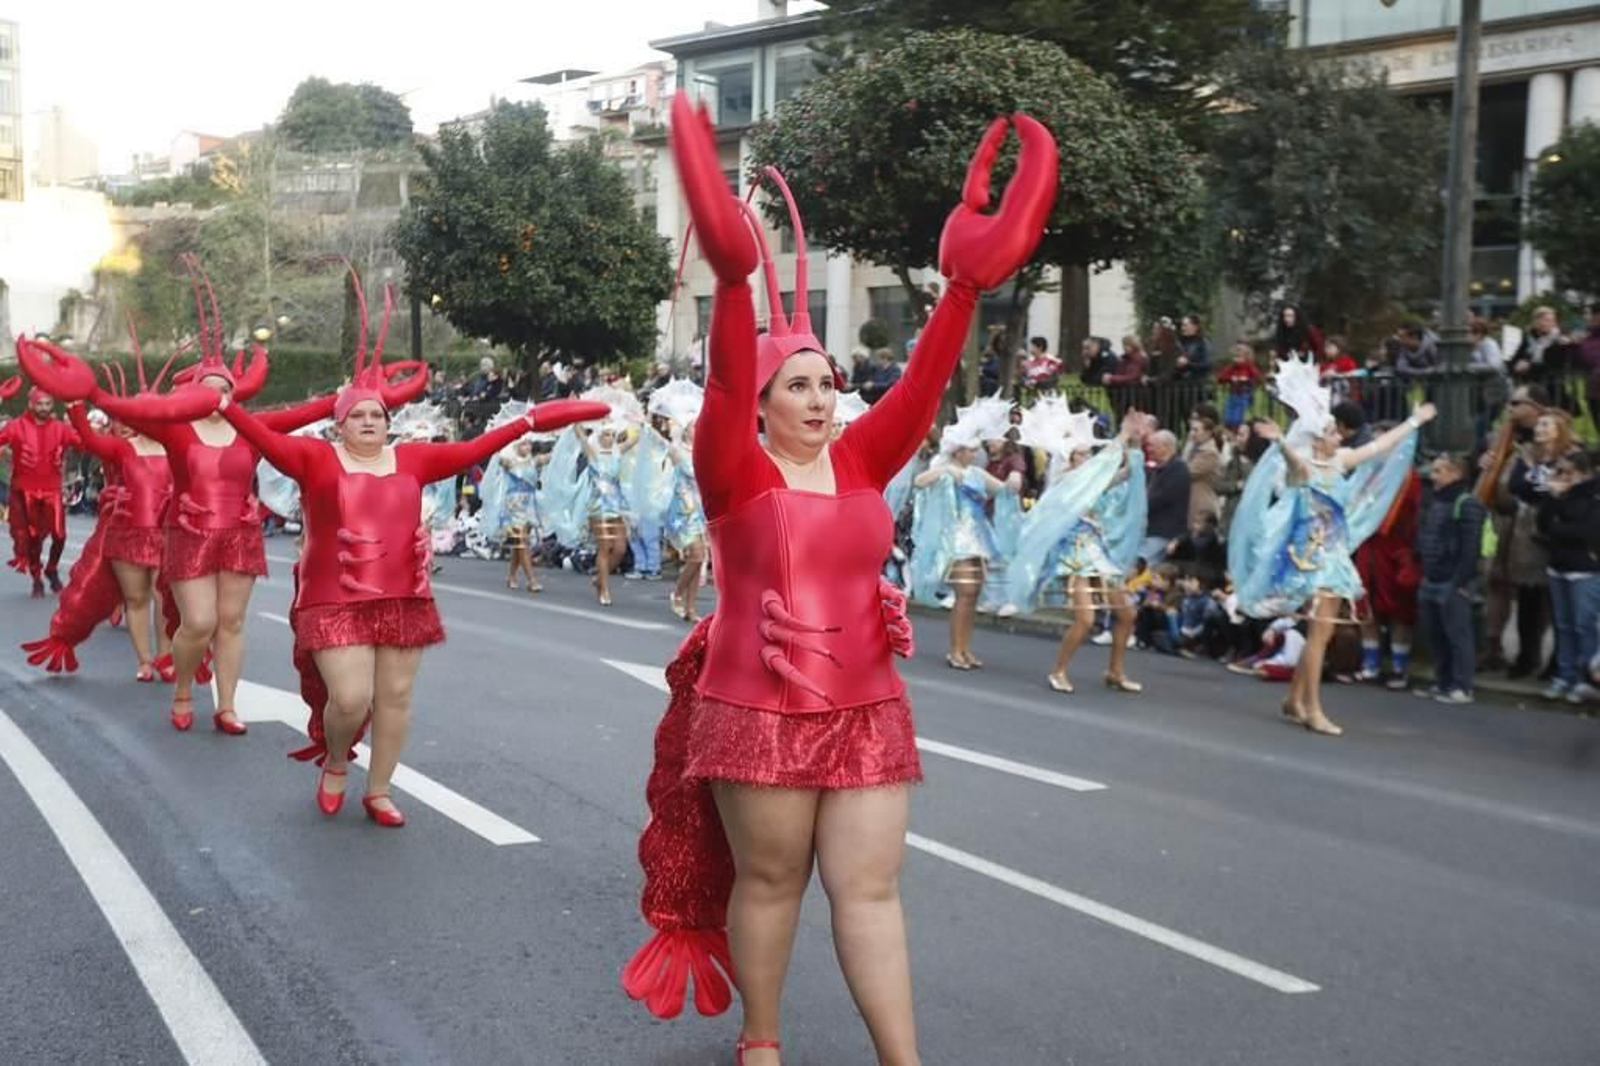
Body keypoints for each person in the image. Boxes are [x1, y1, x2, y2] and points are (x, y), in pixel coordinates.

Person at [621, 98, 1055, 1066]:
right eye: (801, 385)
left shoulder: (861, 459)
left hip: (867, 707)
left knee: (869, 887)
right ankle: (763, 1042)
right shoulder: (734, 467)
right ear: (766, 403)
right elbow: (728, 383)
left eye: (829, 382)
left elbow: (925, 386)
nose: (823, 398)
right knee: (771, 882)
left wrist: (962, 289)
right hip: (755, 707)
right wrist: (735, 285)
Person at [216, 328, 603, 825]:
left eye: (377, 414)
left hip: (403, 597)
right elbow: (264, 439)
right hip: (332, 596)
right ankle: (336, 759)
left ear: (389, 422)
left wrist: (530, 419)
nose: (369, 421)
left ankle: (378, 791)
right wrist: (227, 408)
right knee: (350, 698)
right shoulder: (314, 459)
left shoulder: (414, 460)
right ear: (338, 425)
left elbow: (477, 447)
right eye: (357, 415)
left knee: (396, 697)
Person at [1233, 356, 1436, 736]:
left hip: (1333, 553)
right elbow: (1295, 468)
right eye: (1331, 432)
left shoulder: (1340, 460)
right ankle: (1313, 708)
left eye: (1337, 432)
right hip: (1310, 557)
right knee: (1321, 632)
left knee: (1319, 632)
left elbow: (1378, 448)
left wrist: (1414, 422)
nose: (1339, 436)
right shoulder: (1305, 466)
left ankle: (1295, 699)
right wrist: (1280, 442)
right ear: (1316, 437)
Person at [1001, 404, 1147, 693]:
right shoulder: (1065, 480)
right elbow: (1099, 470)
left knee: (1127, 613)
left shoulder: (1091, 480)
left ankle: (1115, 671)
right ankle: (1058, 670)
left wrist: (1134, 440)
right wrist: (1121, 436)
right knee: (1086, 619)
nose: (1088, 457)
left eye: (1088, 453)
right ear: (1070, 458)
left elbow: (1127, 472)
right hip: (1075, 555)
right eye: (1082, 453)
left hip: (1097, 553)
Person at [910, 418, 1022, 670]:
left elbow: (1003, 491)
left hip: (979, 538)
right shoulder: (943, 470)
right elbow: (919, 482)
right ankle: (955, 650)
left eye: (975, 450)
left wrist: (1014, 479)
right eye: (971, 450)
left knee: (973, 595)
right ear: (958, 450)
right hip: (956, 539)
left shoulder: (977, 473)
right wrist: (945, 471)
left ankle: (965, 648)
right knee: (964, 593)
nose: (975, 454)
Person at [1513, 445, 1600, 703]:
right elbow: (1543, 524)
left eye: (1566, 472)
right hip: (1558, 565)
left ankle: (1584, 677)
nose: (1560, 477)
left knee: (1583, 625)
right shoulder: (1559, 496)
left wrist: (1558, 528)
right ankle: (1564, 675)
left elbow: (1584, 532)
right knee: (1562, 625)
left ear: (1583, 474)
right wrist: (1553, 499)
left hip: (1584, 570)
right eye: (1558, 471)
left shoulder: (1593, 497)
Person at [1413, 453, 1487, 704]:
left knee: (1457, 636)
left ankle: (1462, 686)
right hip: (1432, 577)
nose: (1433, 476)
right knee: (1436, 635)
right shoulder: (1435, 502)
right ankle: (1443, 682)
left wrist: (1460, 582)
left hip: (1451, 581)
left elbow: (1471, 548)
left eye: (1439, 471)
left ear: (1456, 474)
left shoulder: (1467, 504)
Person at [0, 383, 81, 596]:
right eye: (40, 404)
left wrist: (77, 411)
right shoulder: (14, 426)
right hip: (24, 491)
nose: (44, 408)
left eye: (48, 404)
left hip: (52, 491)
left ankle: (52, 569)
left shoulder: (61, 429)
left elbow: (87, 442)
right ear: (31, 404)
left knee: (60, 535)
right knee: (33, 538)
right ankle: (36, 577)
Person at [1141, 429, 1189, 564]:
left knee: (1141, 566)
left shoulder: (1178, 469)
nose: (1149, 449)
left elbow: (1160, 498)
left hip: (1163, 533)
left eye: (1153, 446)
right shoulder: (1158, 469)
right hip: (1150, 531)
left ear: (1166, 447)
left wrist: (1139, 505)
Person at [1182, 405, 1223, 533]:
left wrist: (1189, 445)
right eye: (1191, 430)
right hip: (1191, 504)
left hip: (1201, 506)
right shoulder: (1195, 449)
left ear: (1208, 432)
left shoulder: (1209, 453)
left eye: (1196, 430)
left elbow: (1185, 472)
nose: (1192, 434)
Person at [1217, 342, 1262, 428]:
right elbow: (1220, 378)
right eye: (1234, 357)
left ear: (1246, 357)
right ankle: (1230, 431)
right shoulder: (1232, 367)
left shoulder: (1249, 367)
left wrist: (1247, 380)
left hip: (1244, 395)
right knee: (1228, 418)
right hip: (1232, 395)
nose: (1236, 359)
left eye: (1239, 357)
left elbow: (1258, 378)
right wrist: (1230, 378)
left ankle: (1237, 431)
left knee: (1238, 419)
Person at [1176, 314, 1213, 379]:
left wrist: (1188, 364)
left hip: (1198, 383)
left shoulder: (1203, 343)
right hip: (1178, 383)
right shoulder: (1179, 342)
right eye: (1182, 325)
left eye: (1186, 325)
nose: (1183, 328)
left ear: (1195, 327)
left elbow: (1207, 364)